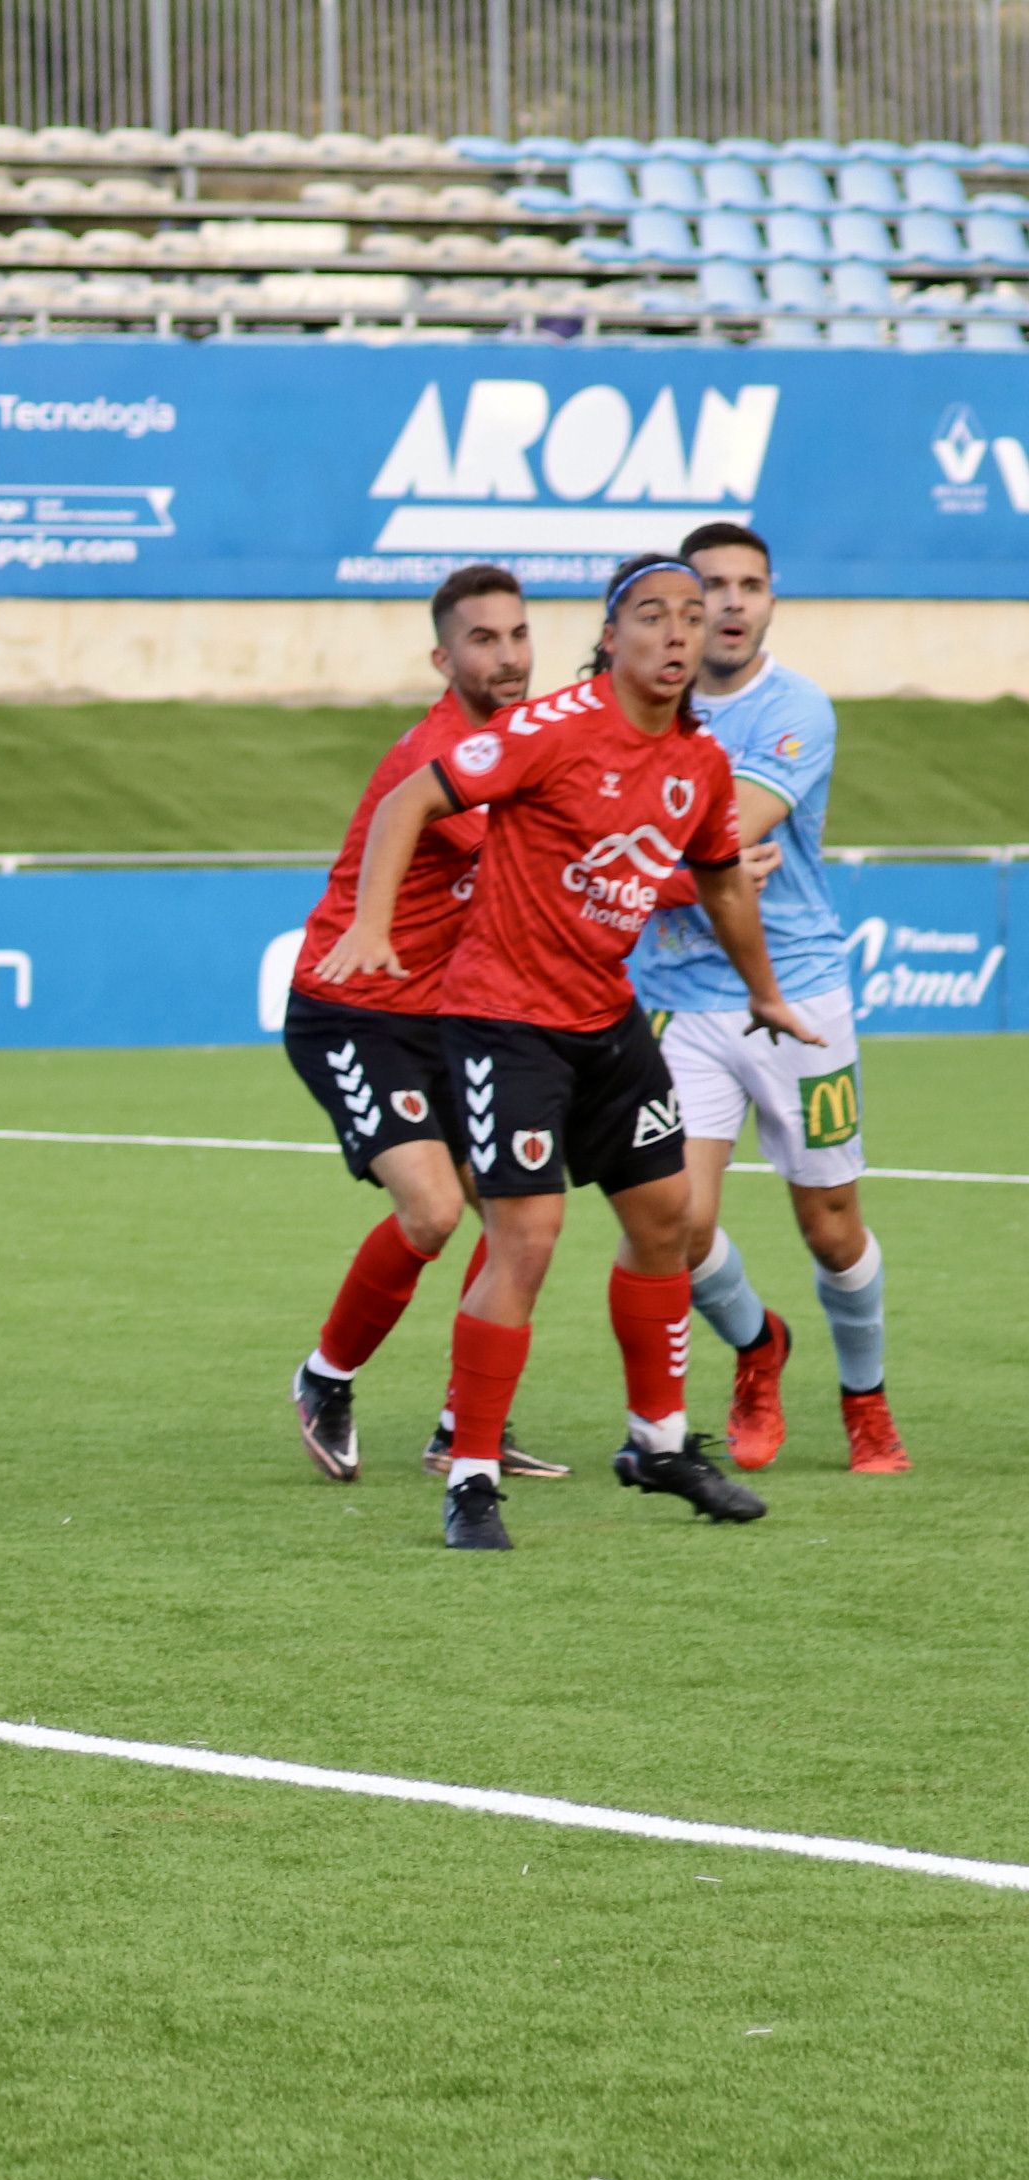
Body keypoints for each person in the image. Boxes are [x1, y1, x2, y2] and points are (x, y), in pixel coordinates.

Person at [320, 554, 809, 1552]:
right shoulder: (551, 731)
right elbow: (411, 797)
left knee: (667, 1216)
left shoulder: (701, 762)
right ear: (612, 636)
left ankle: (658, 1442)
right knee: (527, 1241)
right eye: (653, 616)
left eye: (693, 613)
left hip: (605, 1019)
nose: (679, 631)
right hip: (505, 1023)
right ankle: (470, 1478)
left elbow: (719, 882)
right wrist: (372, 926)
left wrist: (765, 992)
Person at [279, 563, 567, 1486]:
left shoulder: (529, 740)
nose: (509, 655)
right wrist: (692, 869)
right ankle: (326, 1378)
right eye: (483, 639)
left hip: (450, 1016)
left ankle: (463, 1423)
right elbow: (541, 859)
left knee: (519, 1217)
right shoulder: (438, 757)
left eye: (518, 634)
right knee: (437, 1209)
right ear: (443, 657)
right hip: (352, 1008)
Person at [637, 522, 907, 1477]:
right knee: (677, 1224)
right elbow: (691, 851)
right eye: (714, 586)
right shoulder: (640, 705)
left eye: (752, 584)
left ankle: (865, 1400)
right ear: (681, 607)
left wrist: (622, 820)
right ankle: (758, 1349)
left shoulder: (797, 708)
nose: (735, 602)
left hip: (801, 994)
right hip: (677, 997)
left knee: (831, 1226)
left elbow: (727, 832)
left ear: (772, 599)